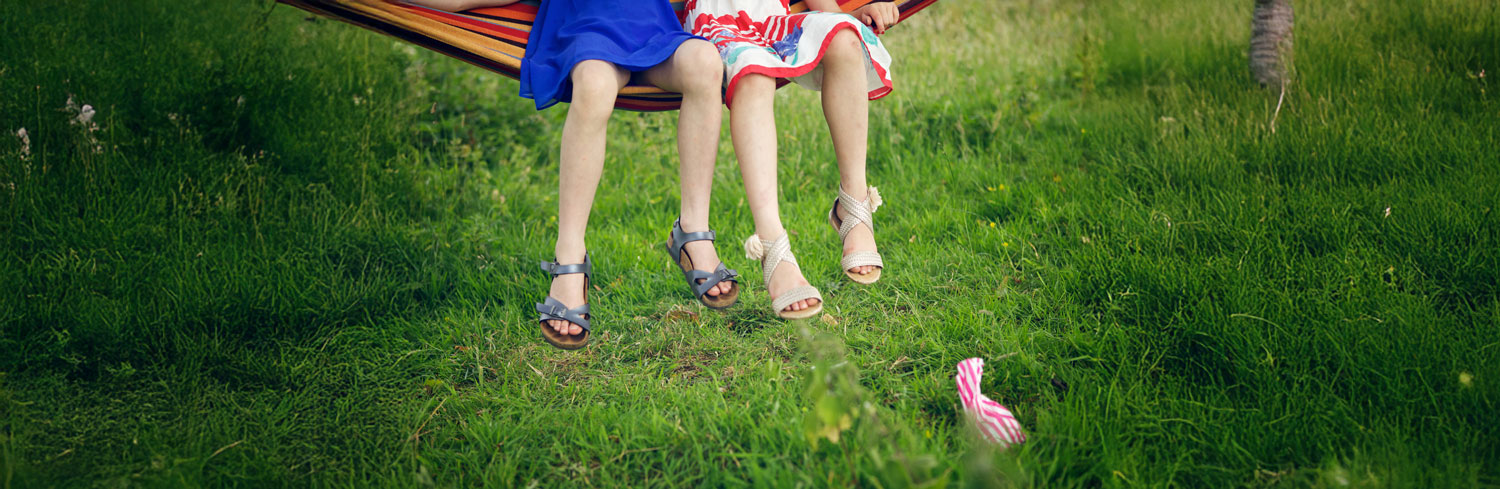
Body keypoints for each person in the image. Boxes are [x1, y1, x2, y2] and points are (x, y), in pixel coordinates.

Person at [410, 0, 739, 348]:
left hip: (656, 35)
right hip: (589, 38)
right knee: (595, 85)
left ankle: (693, 230)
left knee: (705, 62)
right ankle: (569, 255)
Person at [685, 0, 897, 319]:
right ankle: (773, 245)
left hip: (775, 18)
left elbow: (835, 22)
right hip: (718, 24)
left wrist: (841, 14)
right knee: (752, 74)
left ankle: (854, 202)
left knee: (845, 38)